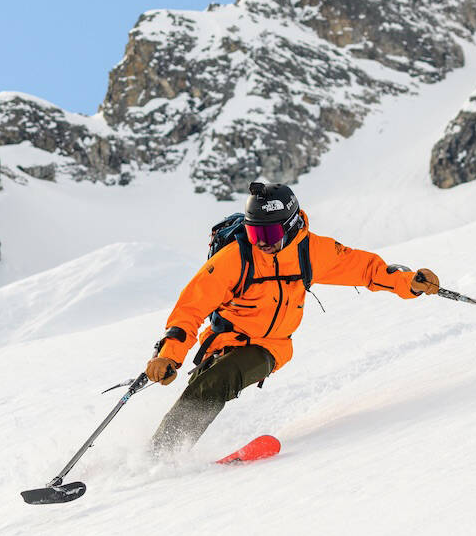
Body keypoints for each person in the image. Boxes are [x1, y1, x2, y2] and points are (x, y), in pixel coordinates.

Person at [144, 180, 439, 457]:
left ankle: (162, 455)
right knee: (202, 387)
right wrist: (169, 357)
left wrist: (410, 283)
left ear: (292, 225)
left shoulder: (311, 251)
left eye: (269, 235)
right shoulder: (233, 259)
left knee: (219, 380)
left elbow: (367, 269)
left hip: (270, 346)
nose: (261, 243)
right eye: (254, 234)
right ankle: (160, 451)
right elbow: (190, 308)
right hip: (224, 340)